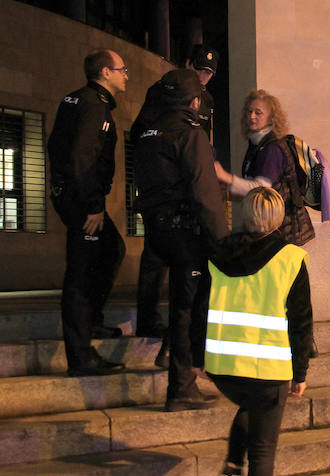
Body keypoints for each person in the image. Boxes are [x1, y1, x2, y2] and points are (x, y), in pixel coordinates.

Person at [205, 186, 313, 476]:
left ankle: (233, 465)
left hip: (223, 367)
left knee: (249, 405)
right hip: (267, 369)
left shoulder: (218, 253)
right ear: (279, 218)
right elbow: (301, 322)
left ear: (245, 216)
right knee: (264, 451)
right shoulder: (290, 258)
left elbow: (200, 303)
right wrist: (300, 371)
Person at [133, 69, 228, 412]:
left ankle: (179, 374)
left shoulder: (146, 133)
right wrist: (223, 242)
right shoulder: (191, 134)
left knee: (179, 306)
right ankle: (182, 385)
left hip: (157, 229)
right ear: (195, 101)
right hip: (185, 233)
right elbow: (205, 193)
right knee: (187, 308)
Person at [47, 48, 128, 377]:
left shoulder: (76, 100)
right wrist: (94, 205)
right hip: (83, 201)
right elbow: (83, 157)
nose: (127, 74)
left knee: (111, 249)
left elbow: (57, 147)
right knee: (80, 275)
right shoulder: (95, 106)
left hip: (73, 195)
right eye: (122, 69)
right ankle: (80, 357)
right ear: (105, 72)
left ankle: (91, 323)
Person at [132, 44, 220, 341]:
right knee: (157, 262)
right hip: (165, 188)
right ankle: (154, 324)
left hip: (185, 188)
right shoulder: (163, 92)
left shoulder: (205, 100)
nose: (203, 77)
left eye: (208, 73)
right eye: (199, 70)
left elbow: (203, 139)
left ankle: (179, 339)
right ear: (186, 64)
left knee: (177, 267)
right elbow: (142, 134)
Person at [215, 89, 316, 247]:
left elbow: (261, 190)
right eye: (249, 111)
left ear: (271, 119)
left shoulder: (272, 148)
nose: (251, 116)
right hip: (274, 229)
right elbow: (254, 190)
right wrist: (228, 191)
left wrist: (225, 177)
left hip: (283, 231)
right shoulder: (258, 145)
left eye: (258, 112)